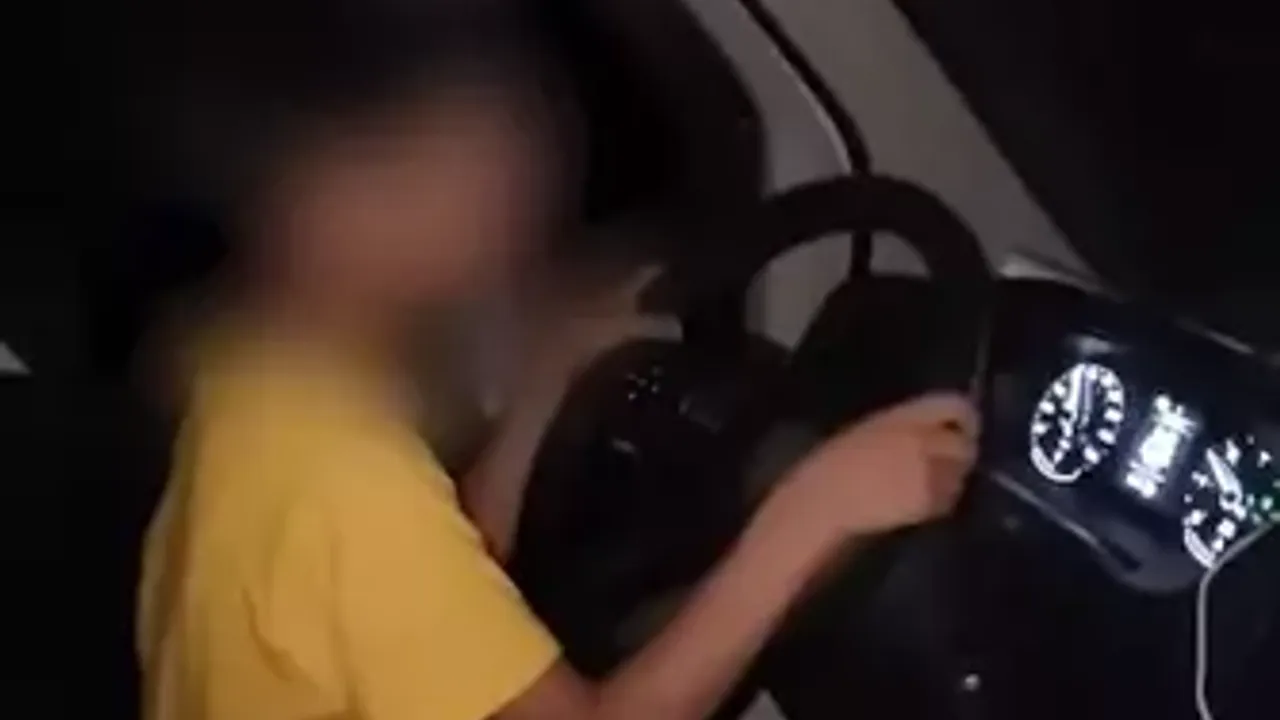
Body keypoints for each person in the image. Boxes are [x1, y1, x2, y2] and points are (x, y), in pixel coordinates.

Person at [134, 4, 980, 720]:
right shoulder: (337, 476)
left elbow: (434, 571)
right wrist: (816, 514)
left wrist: (545, 391)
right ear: (346, 200)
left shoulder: (259, 392)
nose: (521, 182)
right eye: (478, 146)